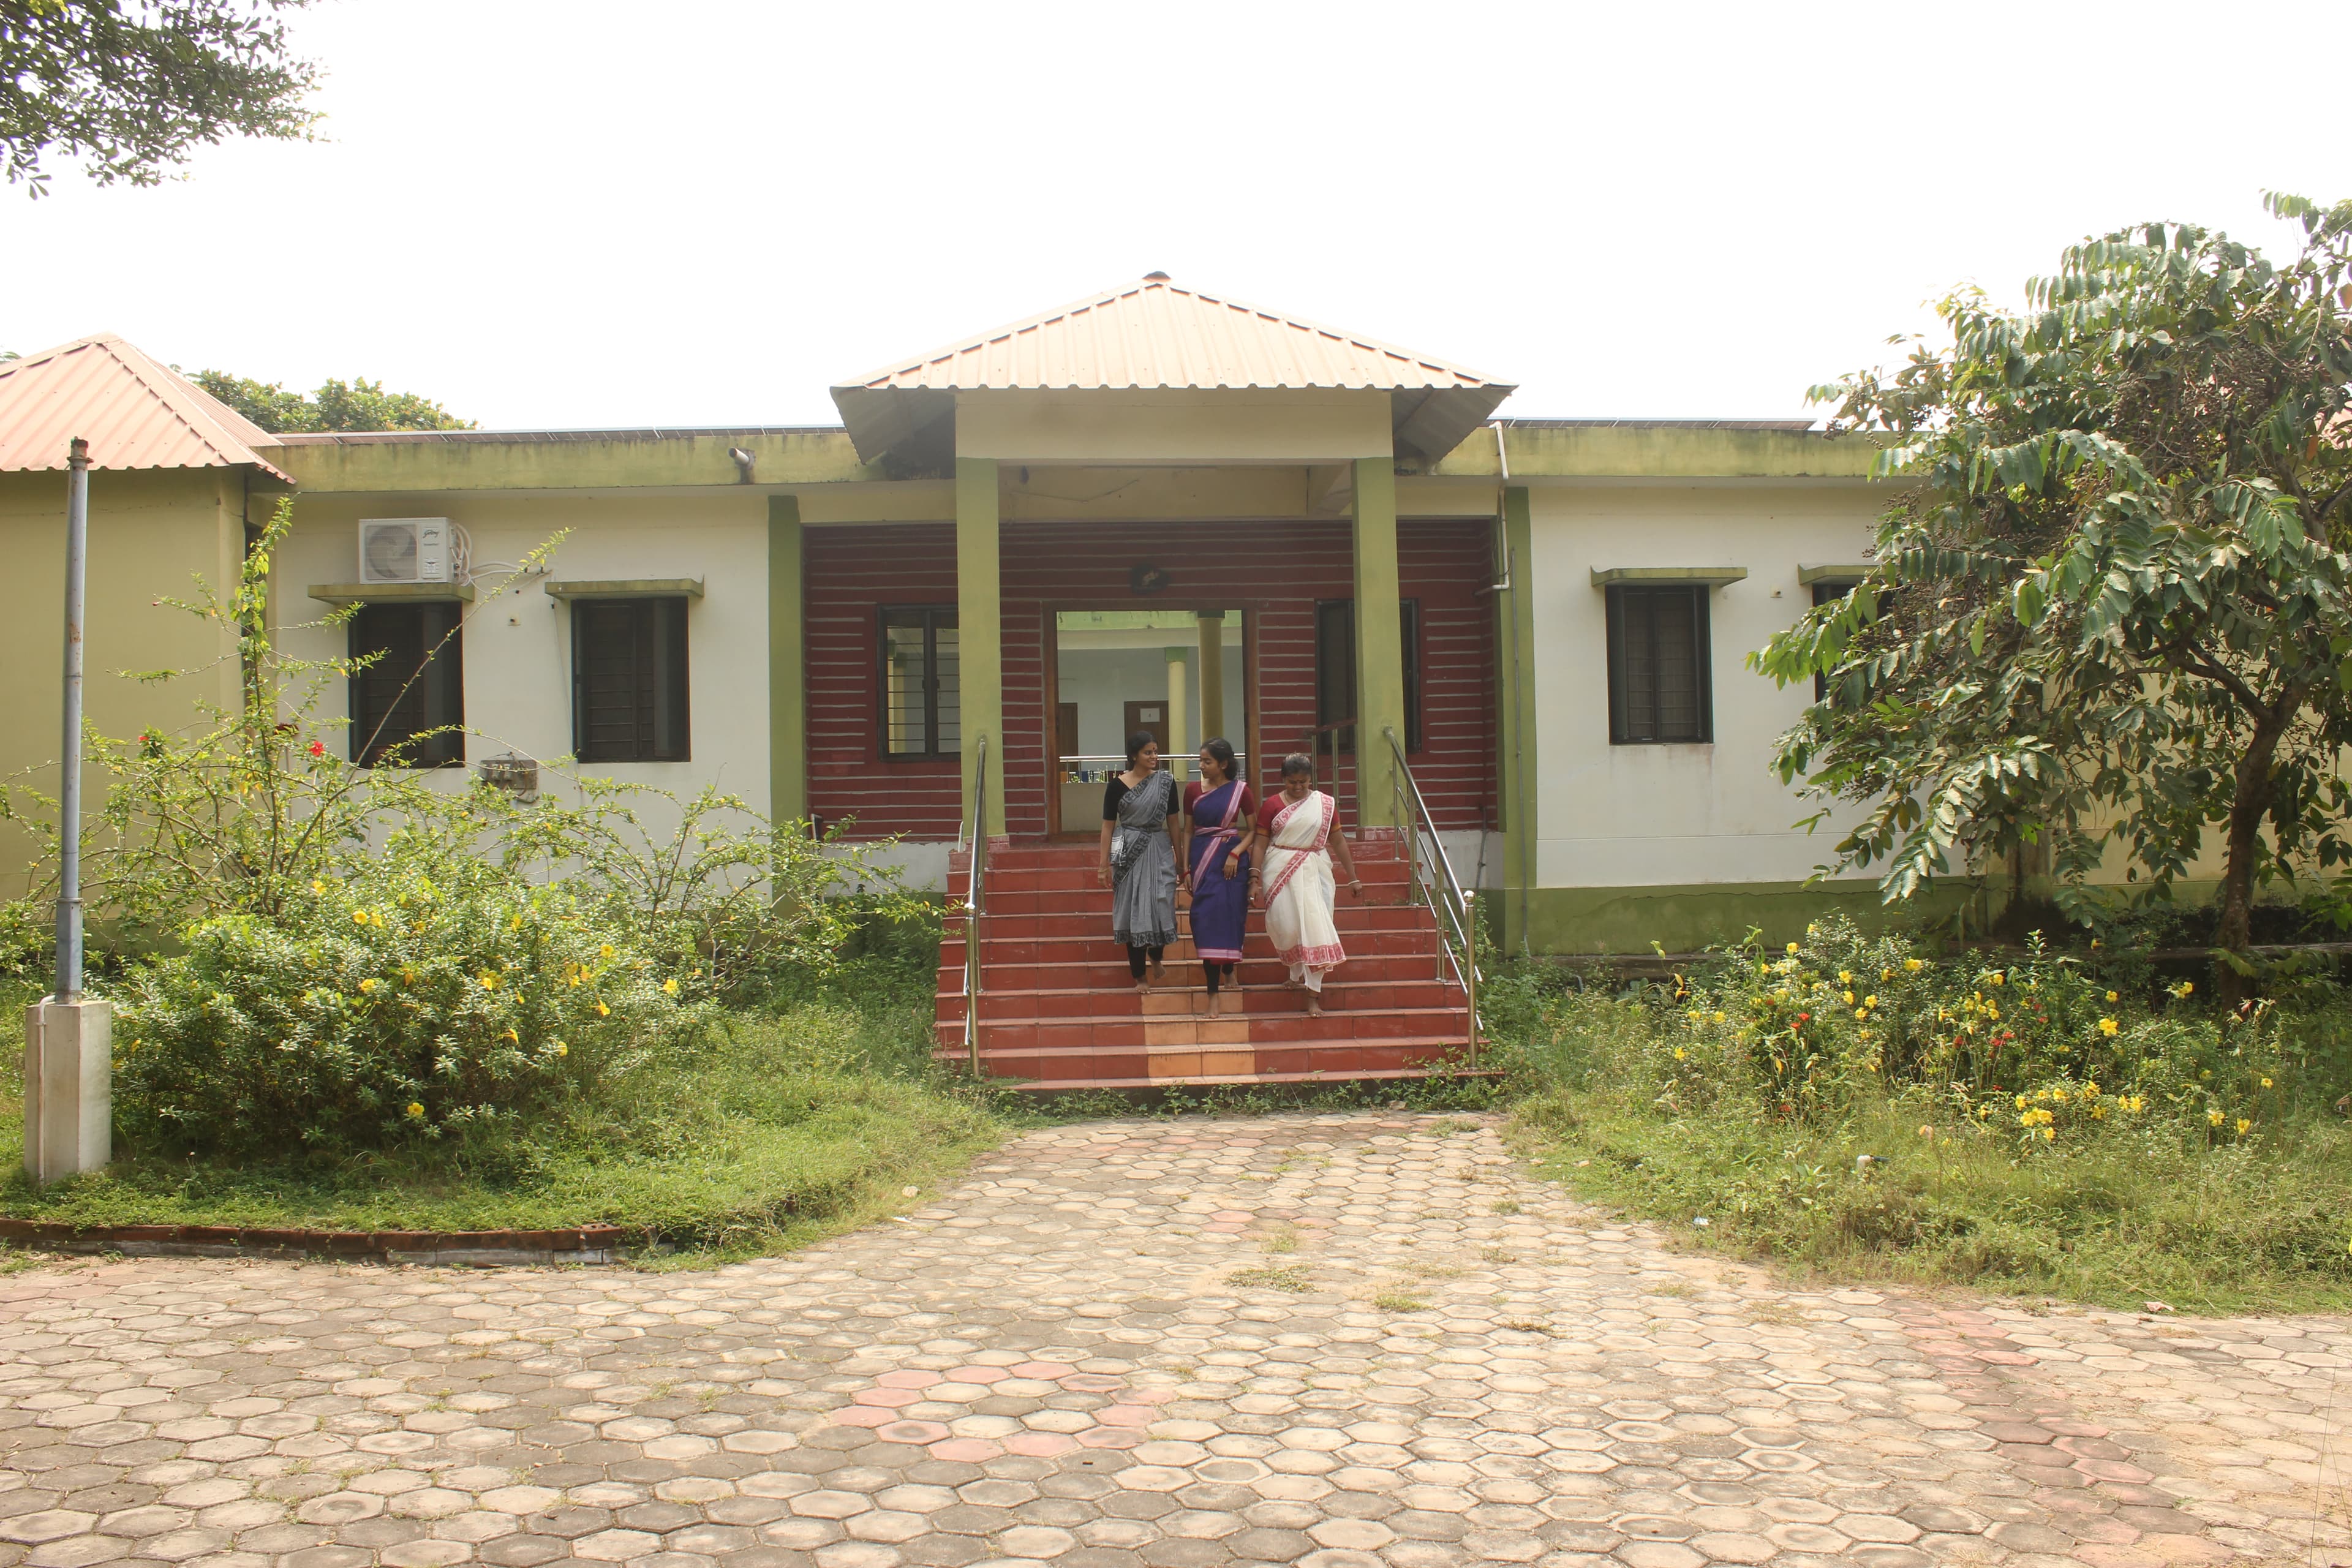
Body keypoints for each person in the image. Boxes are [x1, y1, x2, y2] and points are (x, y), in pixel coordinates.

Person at [1251, 753, 1360, 1016]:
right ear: (1283, 780)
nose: (1298, 788)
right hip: (1278, 867)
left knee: (1315, 929)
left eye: (1303, 783)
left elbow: (1338, 841)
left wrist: (1353, 877)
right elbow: (1260, 843)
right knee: (1285, 926)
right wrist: (1254, 877)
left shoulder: (1323, 804)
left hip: (1314, 869)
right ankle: (1294, 971)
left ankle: (1314, 996)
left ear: (1311, 780)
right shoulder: (1272, 805)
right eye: (1292, 783)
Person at [1175, 739, 1255, 1016]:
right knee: (1205, 919)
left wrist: (1235, 853)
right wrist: (1184, 869)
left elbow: (1255, 831)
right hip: (1201, 860)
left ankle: (1228, 973)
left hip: (1230, 862)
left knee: (1231, 916)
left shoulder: (1241, 791)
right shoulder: (1192, 790)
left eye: (1207, 761)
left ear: (1223, 764)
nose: (1201, 766)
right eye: (1200, 760)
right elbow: (1187, 830)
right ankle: (1213, 992)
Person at [1098, 733, 1183, 990]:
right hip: (1129, 850)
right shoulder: (1116, 786)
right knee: (1133, 912)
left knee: (1163, 904)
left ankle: (1156, 956)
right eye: (1148, 752)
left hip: (1159, 847)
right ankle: (1139, 976)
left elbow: (1174, 822)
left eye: (1156, 751)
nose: (1154, 757)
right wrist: (1104, 865)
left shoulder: (1166, 782)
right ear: (1135, 755)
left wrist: (1179, 856)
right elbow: (1107, 827)